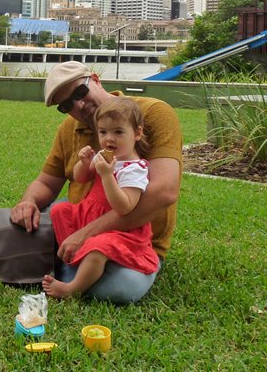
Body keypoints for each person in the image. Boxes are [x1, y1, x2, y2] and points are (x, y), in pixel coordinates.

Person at [11, 61, 182, 304]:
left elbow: (163, 193)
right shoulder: (70, 128)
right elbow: (47, 183)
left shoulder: (152, 112)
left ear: (96, 79)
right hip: (79, 217)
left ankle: (60, 267)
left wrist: (86, 234)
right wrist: (28, 202)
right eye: (66, 105)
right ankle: (62, 262)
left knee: (120, 288)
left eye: (80, 92)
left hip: (128, 234)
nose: (78, 105)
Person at [42, 97, 160, 299]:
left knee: (99, 246)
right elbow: (82, 177)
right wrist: (84, 162)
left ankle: (73, 289)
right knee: (59, 210)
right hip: (90, 215)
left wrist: (107, 175)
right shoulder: (104, 157)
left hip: (118, 228)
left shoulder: (135, 169)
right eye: (103, 132)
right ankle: (74, 257)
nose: (109, 139)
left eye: (118, 132)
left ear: (137, 133)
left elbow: (125, 207)